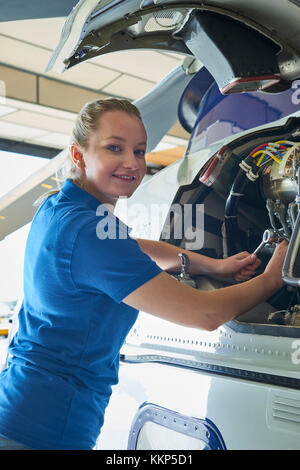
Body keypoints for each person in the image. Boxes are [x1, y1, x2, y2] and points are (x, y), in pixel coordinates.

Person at [0, 98, 288, 450]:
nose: (132, 163)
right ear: (78, 155)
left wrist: (213, 265)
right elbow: (204, 313)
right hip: (43, 427)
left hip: (19, 406)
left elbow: (132, 246)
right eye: (114, 148)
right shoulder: (90, 234)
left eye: (139, 151)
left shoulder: (61, 210)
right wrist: (273, 278)